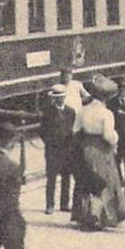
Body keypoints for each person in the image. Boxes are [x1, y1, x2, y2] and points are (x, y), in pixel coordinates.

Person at [69, 76, 125, 230]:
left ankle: (84, 215)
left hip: (86, 148)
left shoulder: (83, 111)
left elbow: (75, 130)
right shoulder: (106, 113)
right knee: (105, 181)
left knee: (86, 180)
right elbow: (109, 135)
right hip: (102, 150)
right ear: (106, 98)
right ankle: (103, 217)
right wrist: (116, 139)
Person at [39, 85, 75, 215]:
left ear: (65, 97)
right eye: (57, 98)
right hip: (52, 151)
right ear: (54, 99)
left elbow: (72, 130)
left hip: (66, 150)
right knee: (51, 178)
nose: (60, 99)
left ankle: (64, 204)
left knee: (66, 177)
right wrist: (50, 143)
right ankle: (50, 205)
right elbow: (42, 131)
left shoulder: (71, 112)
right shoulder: (47, 112)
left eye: (61, 97)